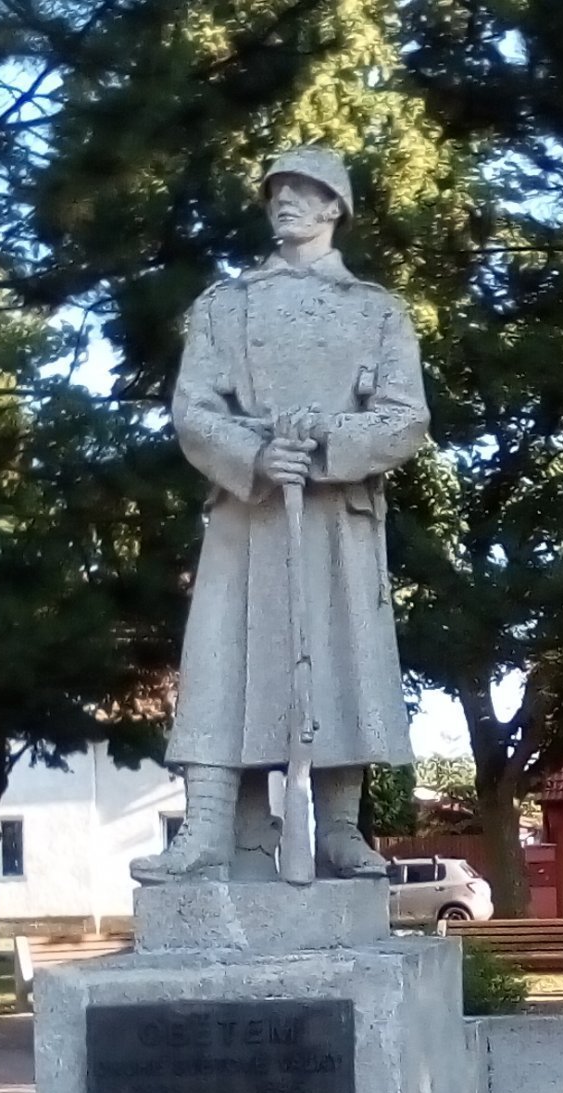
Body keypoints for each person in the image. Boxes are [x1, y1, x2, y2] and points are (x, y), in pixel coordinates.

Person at [133, 146, 428, 884]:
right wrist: (257, 457)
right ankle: (206, 829)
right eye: (276, 191)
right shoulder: (224, 305)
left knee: (340, 661)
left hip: (335, 517)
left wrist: (329, 439)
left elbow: (406, 419)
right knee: (219, 658)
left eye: (304, 190)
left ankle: (337, 829)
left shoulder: (377, 310)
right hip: (247, 512)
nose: (285, 201)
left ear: (335, 207)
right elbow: (193, 408)